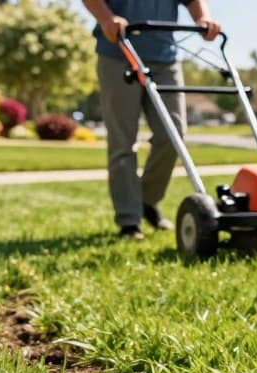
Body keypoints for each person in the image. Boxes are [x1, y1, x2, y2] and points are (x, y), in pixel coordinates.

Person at [82, 0, 222, 240]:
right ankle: (129, 220)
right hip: (118, 52)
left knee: (173, 133)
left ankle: (147, 200)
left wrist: (203, 19)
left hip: (165, 55)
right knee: (123, 141)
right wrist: (106, 19)